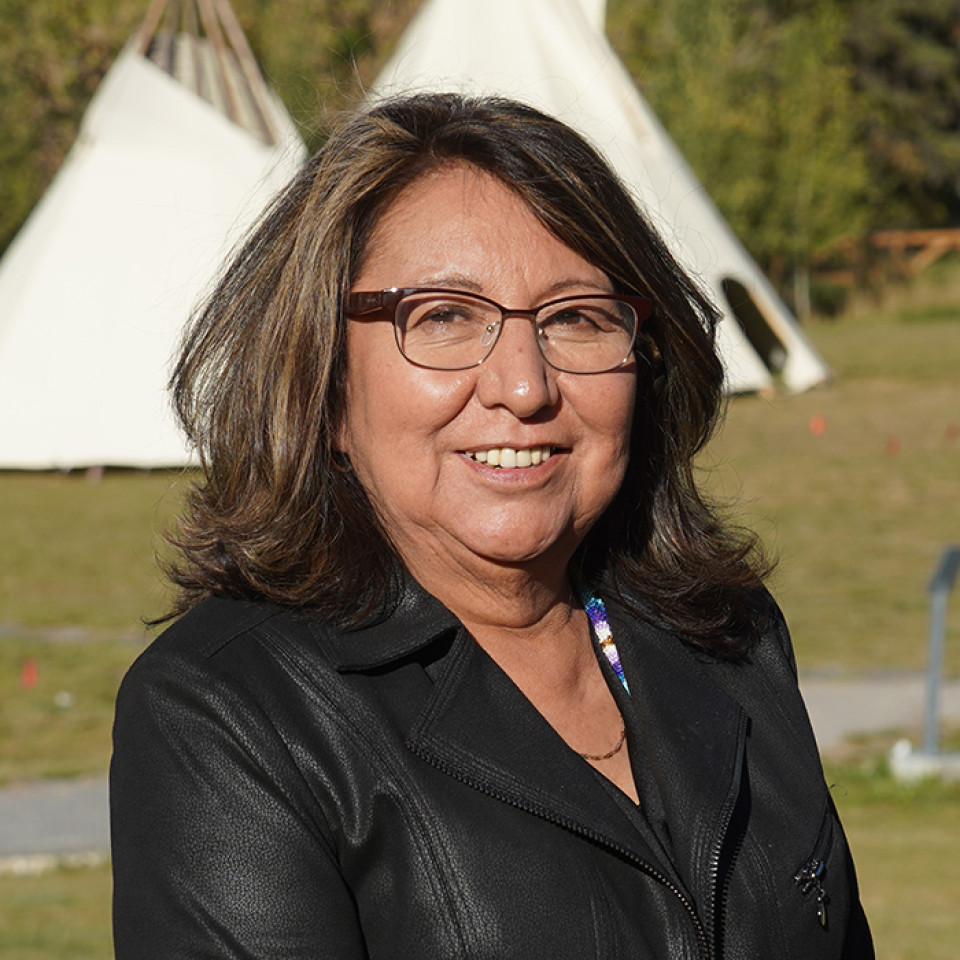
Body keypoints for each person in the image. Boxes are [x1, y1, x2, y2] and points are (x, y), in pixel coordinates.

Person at [110, 92, 873, 959]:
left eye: (576, 318)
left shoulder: (730, 639)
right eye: (443, 318)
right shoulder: (232, 714)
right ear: (324, 388)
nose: (523, 386)